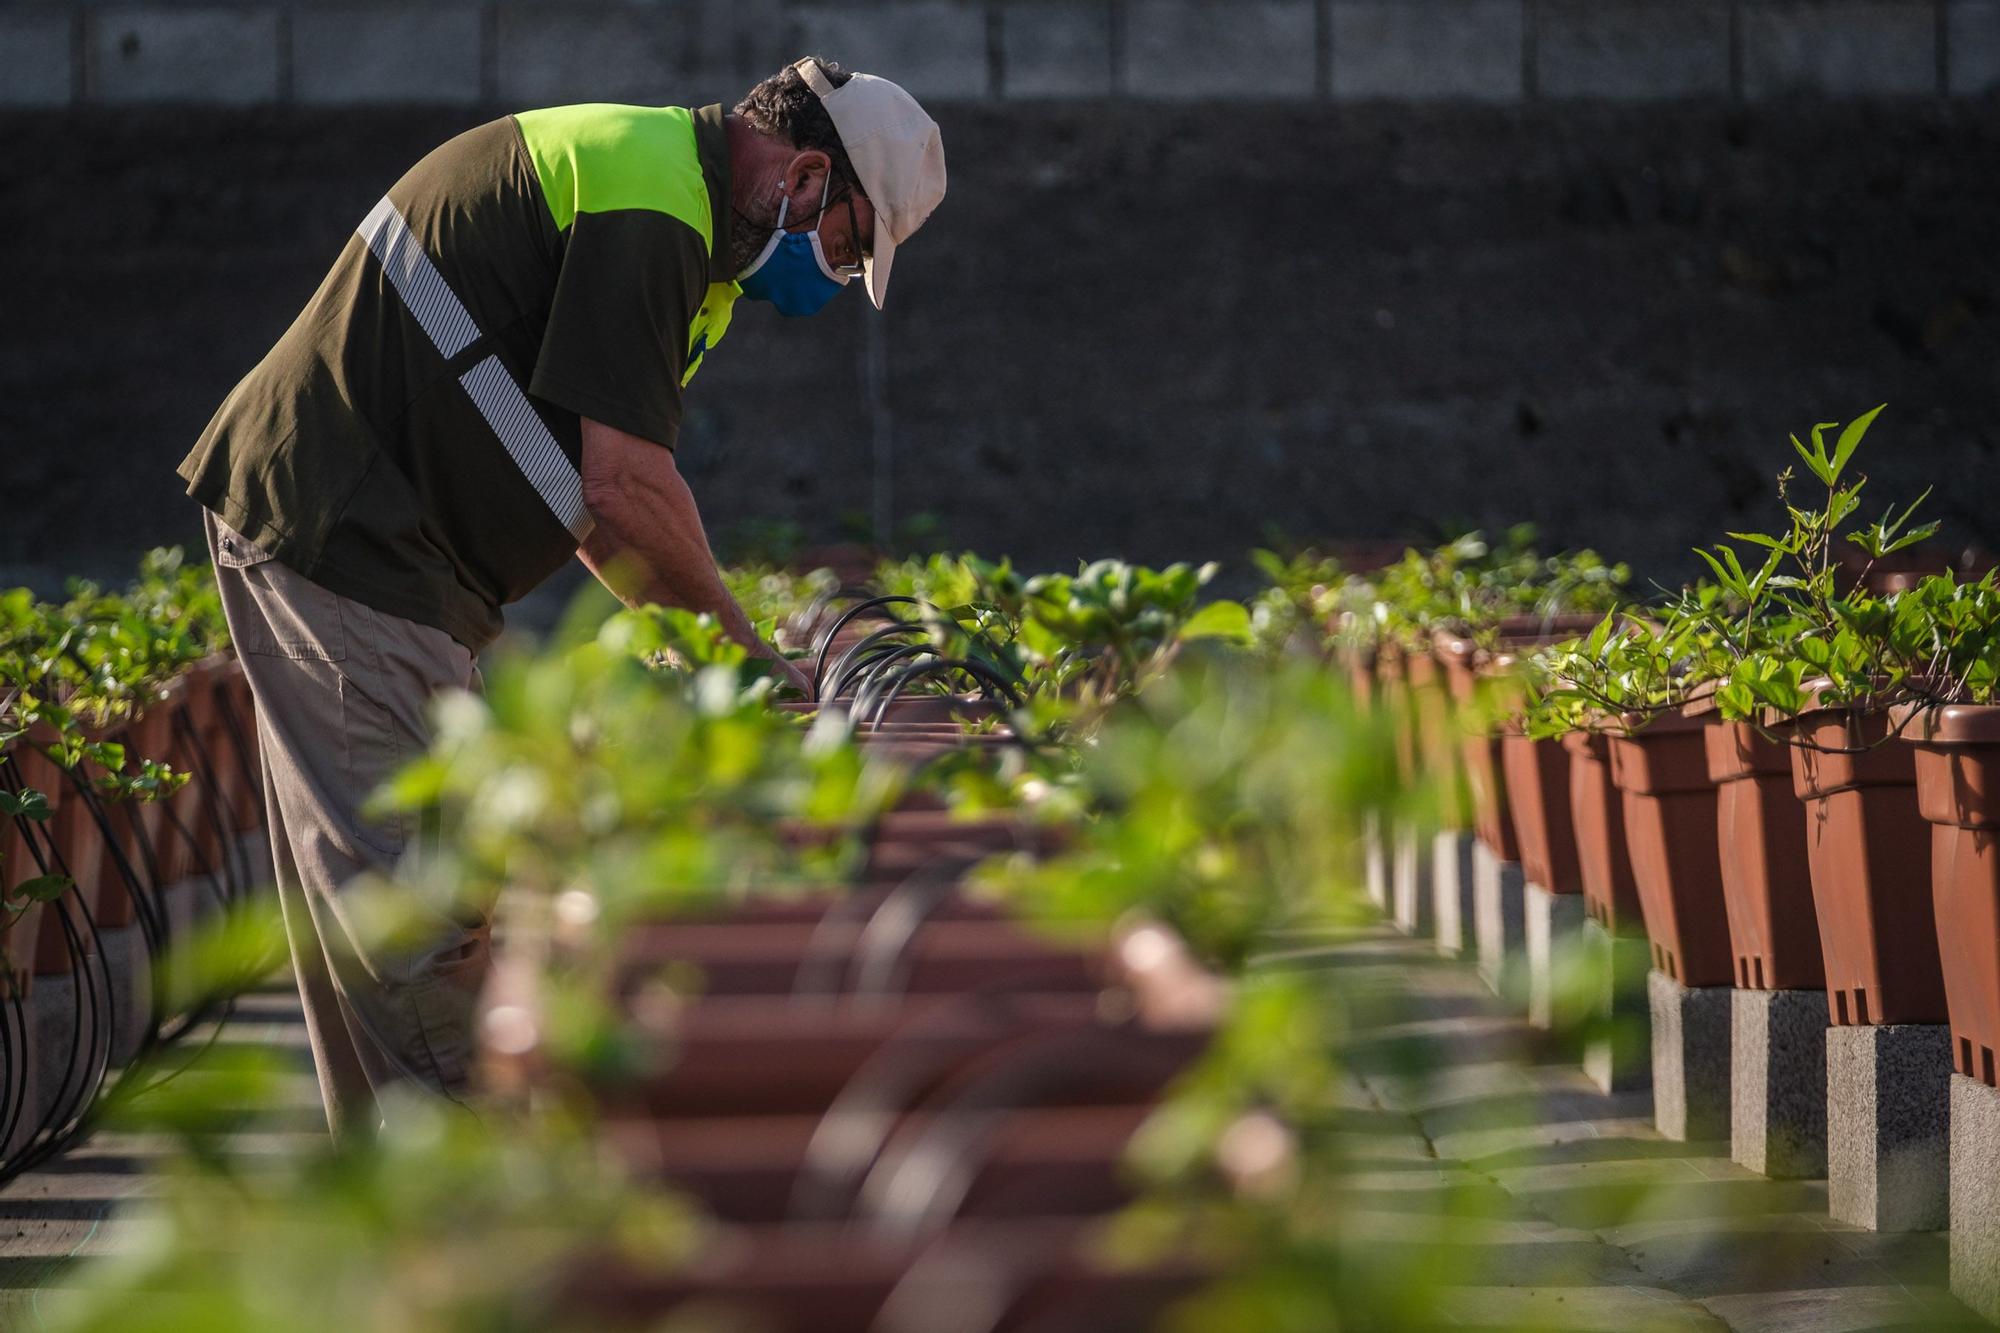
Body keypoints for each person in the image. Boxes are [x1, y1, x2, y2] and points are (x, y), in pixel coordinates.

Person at [177, 57, 946, 1140]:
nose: (831, 276)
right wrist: (743, 653)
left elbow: (584, 502)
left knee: (376, 917)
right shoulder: (650, 204)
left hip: (382, 549)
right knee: (420, 919)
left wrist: (708, 656)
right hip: (348, 533)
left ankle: (405, 1234)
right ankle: (489, 1232)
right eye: (846, 243)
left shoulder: (694, 254)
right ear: (806, 175)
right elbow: (623, 482)